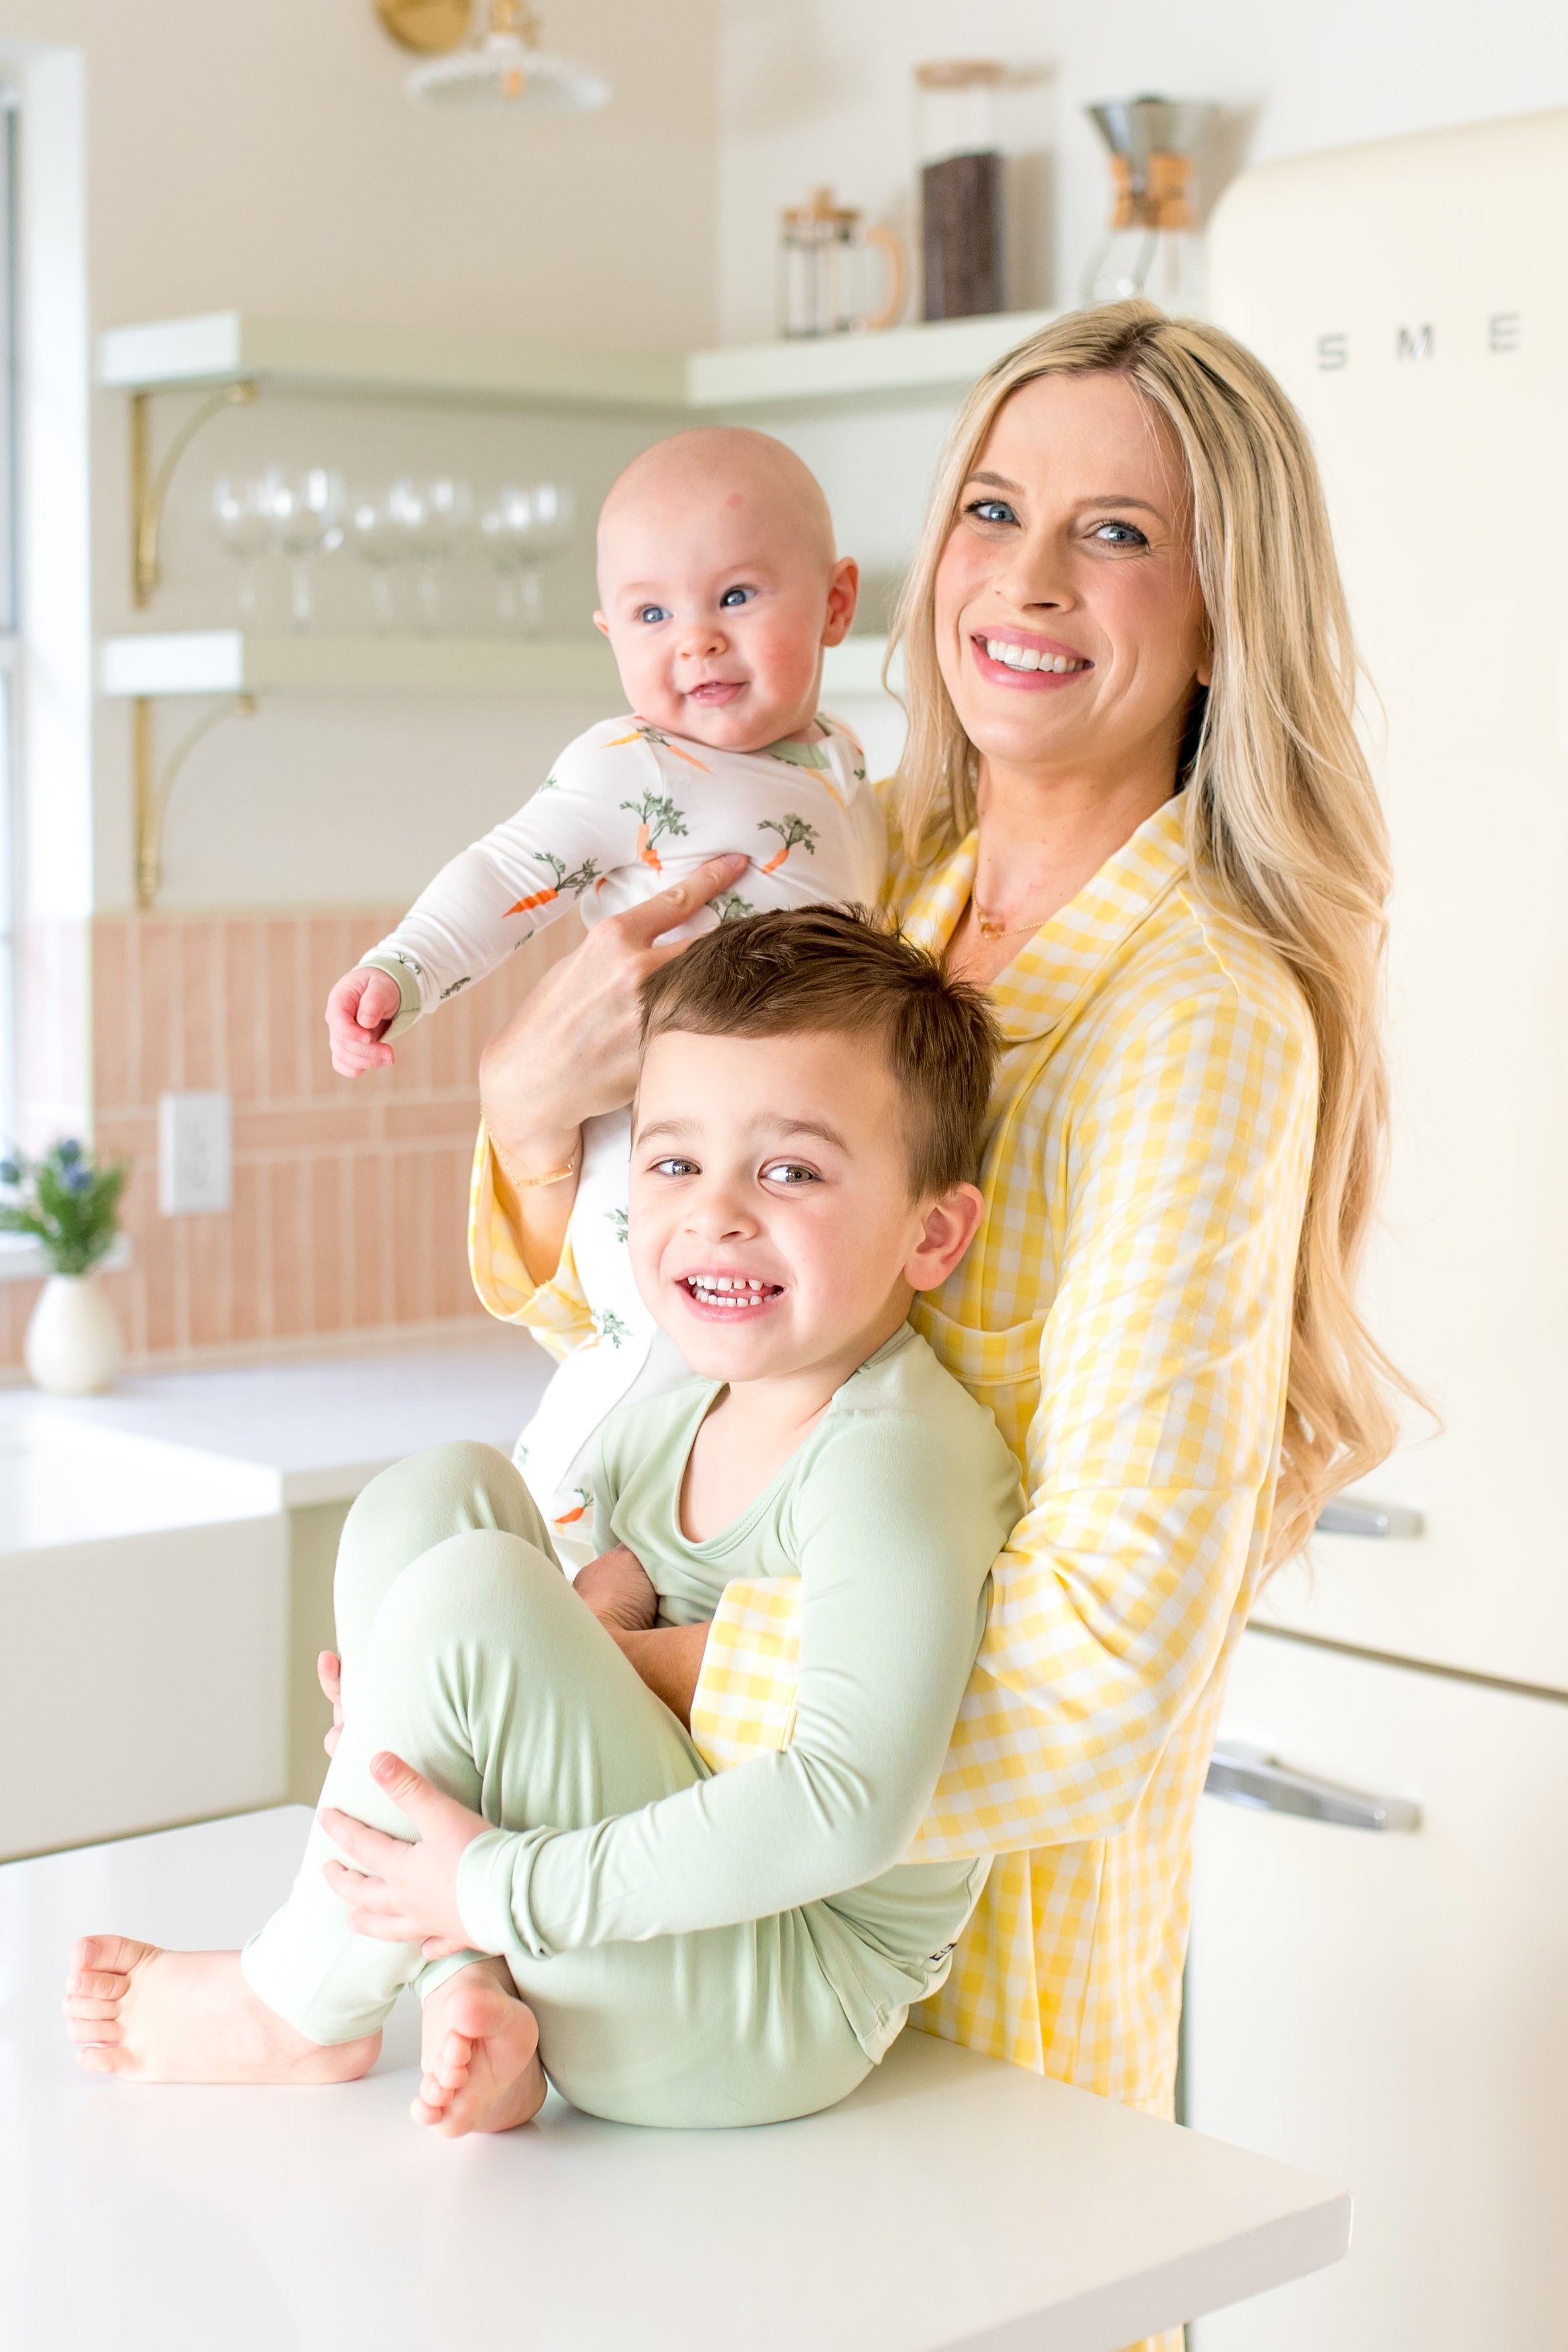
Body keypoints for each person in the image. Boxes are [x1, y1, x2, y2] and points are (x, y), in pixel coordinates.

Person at [466, 302, 1402, 2351]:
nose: (1030, 579)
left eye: (1117, 533)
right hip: (670, 1921)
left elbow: (1104, 1666)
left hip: (969, 2022)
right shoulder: (873, 884)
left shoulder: (1195, 1016)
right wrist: (530, 1118)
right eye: (993, 508)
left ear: (1224, 613)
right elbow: (668, 1337)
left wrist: (593, 1669)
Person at [63, 911, 1023, 2136]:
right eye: (675, 1164)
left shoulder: (894, 1460)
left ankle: (299, 2003)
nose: (717, 1213)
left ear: (932, 1232)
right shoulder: (663, 1426)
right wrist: (416, 1704)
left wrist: (492, 1882)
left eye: (791, 1171)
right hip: (628, 1923)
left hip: (774, 1996)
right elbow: (561, 1664)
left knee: (477, 1593)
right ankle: (474, 1993)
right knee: (436, 1498)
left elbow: (847, 1805)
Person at [323, 428, 883, 1561]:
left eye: (736, 596)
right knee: (646, 1354)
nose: (697, 640)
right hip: (647, 1148)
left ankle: (649, 1580)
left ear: (835, 605)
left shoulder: (841, 758)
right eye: (652, 614)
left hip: (767, 1148)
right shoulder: (629, 765)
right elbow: (502, 873)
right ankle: (539, 1550)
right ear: (610, 634)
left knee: (745, 1383)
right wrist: (401, 969)